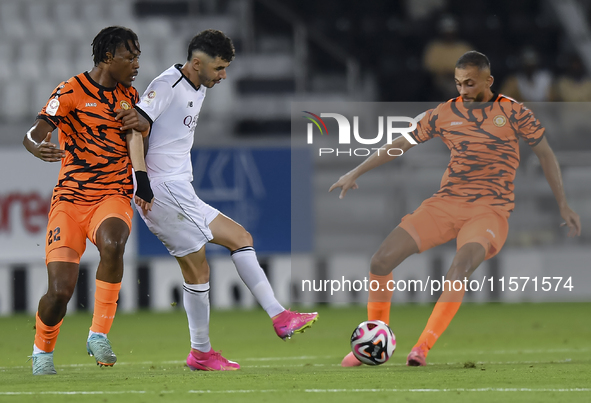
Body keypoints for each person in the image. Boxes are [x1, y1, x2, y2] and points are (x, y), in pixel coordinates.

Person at [330, 51, 581, 367]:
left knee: (459, 268)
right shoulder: (443, 113)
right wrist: (356, 171)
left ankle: (421, 348)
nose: (463, 90)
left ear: (488, 81)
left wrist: (563, 204)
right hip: (446, 204)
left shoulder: (515, 112)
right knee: (380, 261)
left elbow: (545, 155)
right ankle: (375, 340)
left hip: (489, 211)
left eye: (470, 83)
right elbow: (400, 144)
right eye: (459, 83)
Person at [134, 29, 318, 371]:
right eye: (219, 68)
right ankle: (279, 317)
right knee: (240, 238)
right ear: (197, 62)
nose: (223, 76)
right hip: (164, 189)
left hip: (174, 189)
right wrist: (141, 180)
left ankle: (201, 353)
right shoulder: (166, 84)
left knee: (197, 271)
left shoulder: (197, 85)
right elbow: (135, 125)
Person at [23, 26, 153, 375]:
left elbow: (139, 141)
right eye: (131, 56)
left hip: (112, 194)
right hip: (70, 200)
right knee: (60, 292)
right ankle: (42, 352)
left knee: (114, 243)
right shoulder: (69, 91)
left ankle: (98, 334)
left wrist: (142, 126)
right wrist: (37, 147)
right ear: (108, 57)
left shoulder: (129, 96)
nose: (137, 63)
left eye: (138, 55)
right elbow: (34, 132)